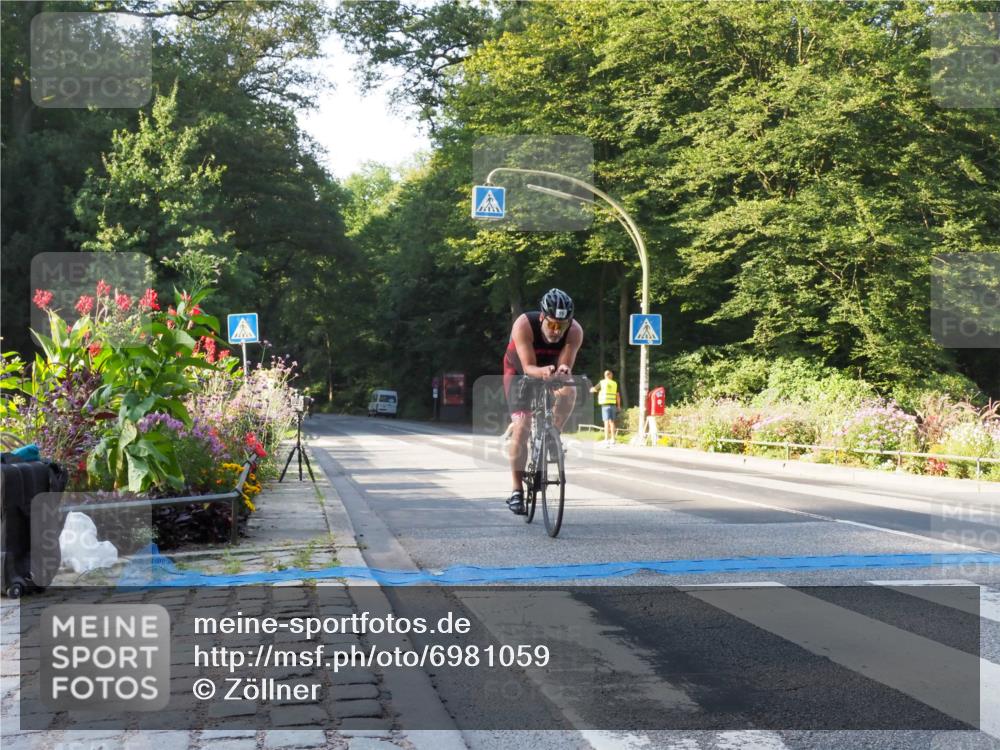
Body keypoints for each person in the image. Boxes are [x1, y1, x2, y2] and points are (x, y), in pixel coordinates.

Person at [501, 288, 583, 515]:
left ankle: (553, 436)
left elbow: (565, 365)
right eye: (552, 324)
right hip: (519, 372)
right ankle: (517, 491)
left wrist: (564, 371)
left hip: (549, 370)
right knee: (522, 427)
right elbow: (528, 367)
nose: (556, 331)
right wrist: (543, 371)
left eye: (562, 326)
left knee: (570, 389)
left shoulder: (574, 331)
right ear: (542, 317)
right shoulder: (524, 324)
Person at [590, 369, 621, 447]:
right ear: (611, 375)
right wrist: (619, 406)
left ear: (605, 375)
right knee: (612, 422)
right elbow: (618, 396)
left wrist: (591, 389)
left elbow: (593, 390)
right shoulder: (615, 383)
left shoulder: (602, 383)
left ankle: (606, 439)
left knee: (606, 422)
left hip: (605, 405)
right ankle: (613, 439)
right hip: (613, 405)